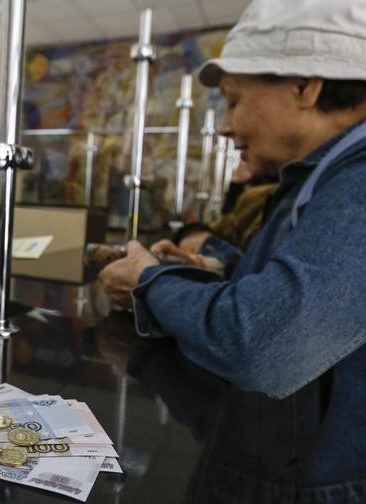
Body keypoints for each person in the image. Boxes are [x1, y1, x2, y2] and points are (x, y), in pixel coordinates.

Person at [100, 0, 366, 500]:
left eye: (233, 100)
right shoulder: (324, 177)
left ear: (306, 86)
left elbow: (267, 344)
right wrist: (203, 269)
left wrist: (149, 281)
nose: (224, 126)